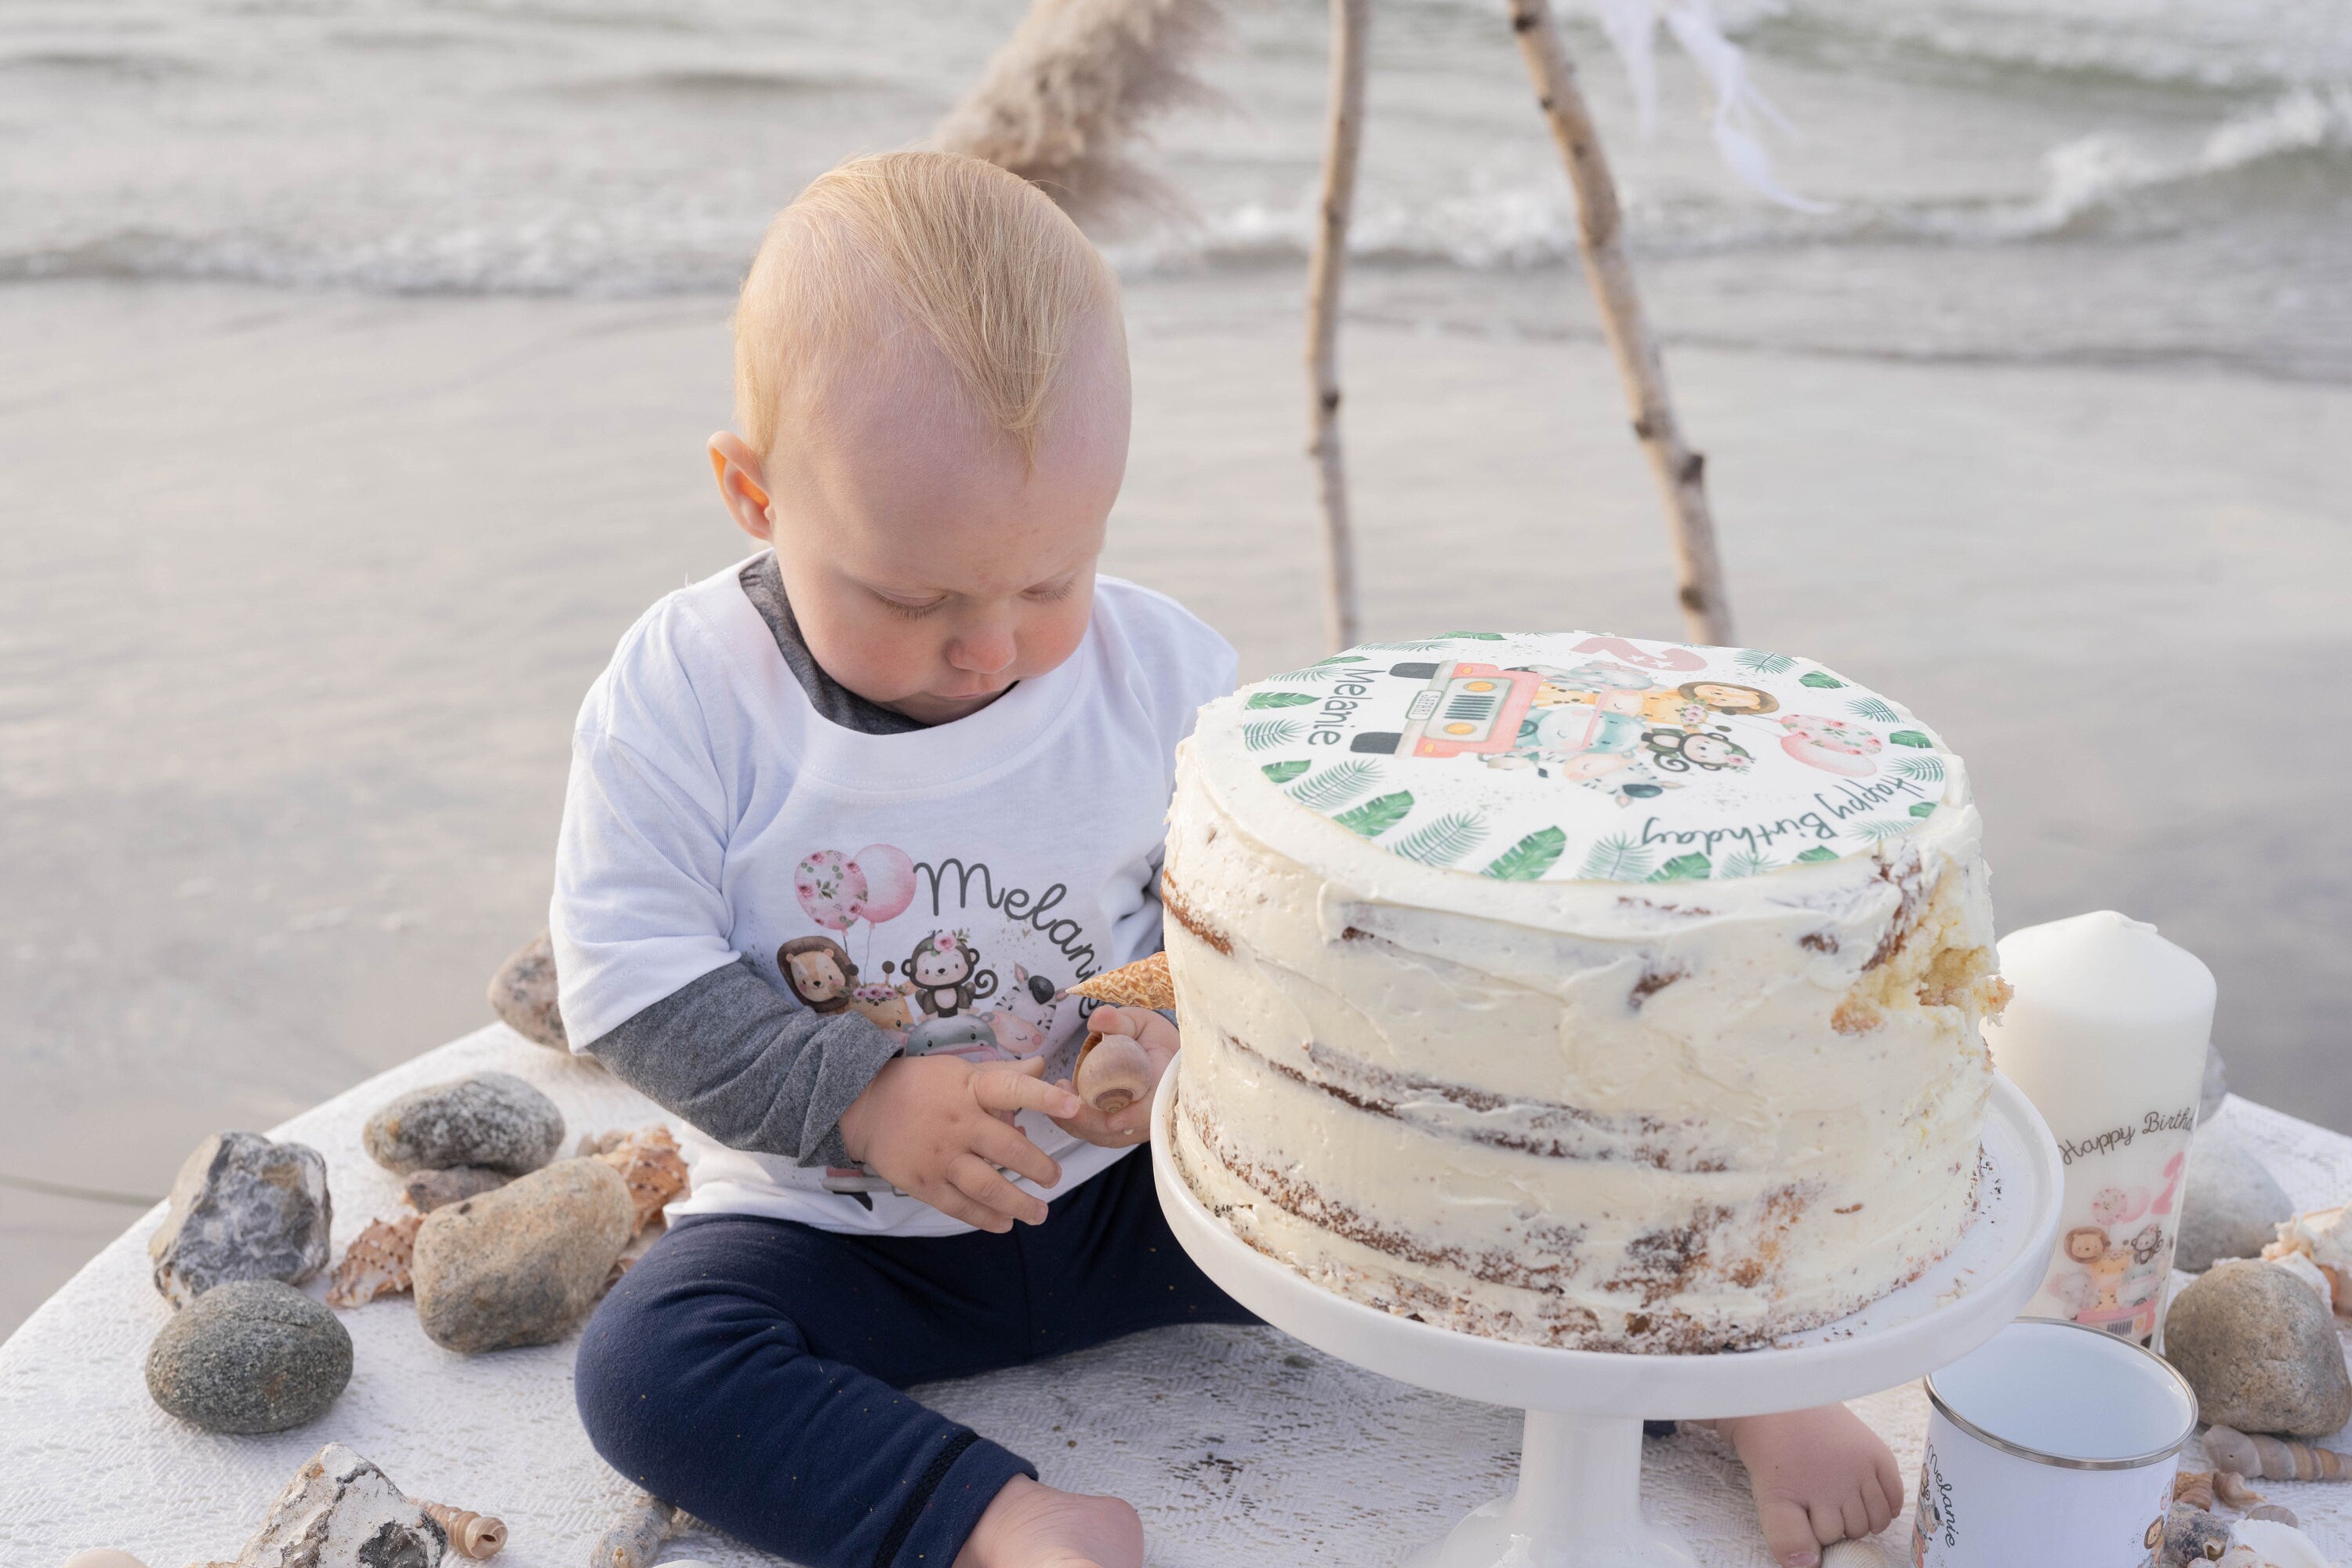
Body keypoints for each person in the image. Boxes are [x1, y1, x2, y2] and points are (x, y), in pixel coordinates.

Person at [555, 150, 1898, 1568]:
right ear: (754, 495)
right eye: (914, 596)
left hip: (1155, 1198)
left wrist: (1149, 1026)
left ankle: (1715, 1381)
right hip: (842, 1234)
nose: (991, 648)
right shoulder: (687, 693)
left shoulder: (1162, 673)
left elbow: (1246, 921)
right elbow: (629, 976)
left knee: (1440, 1188)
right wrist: (870, 1103)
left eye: (1049, 579)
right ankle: (995, 1523)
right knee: (649, 1367)